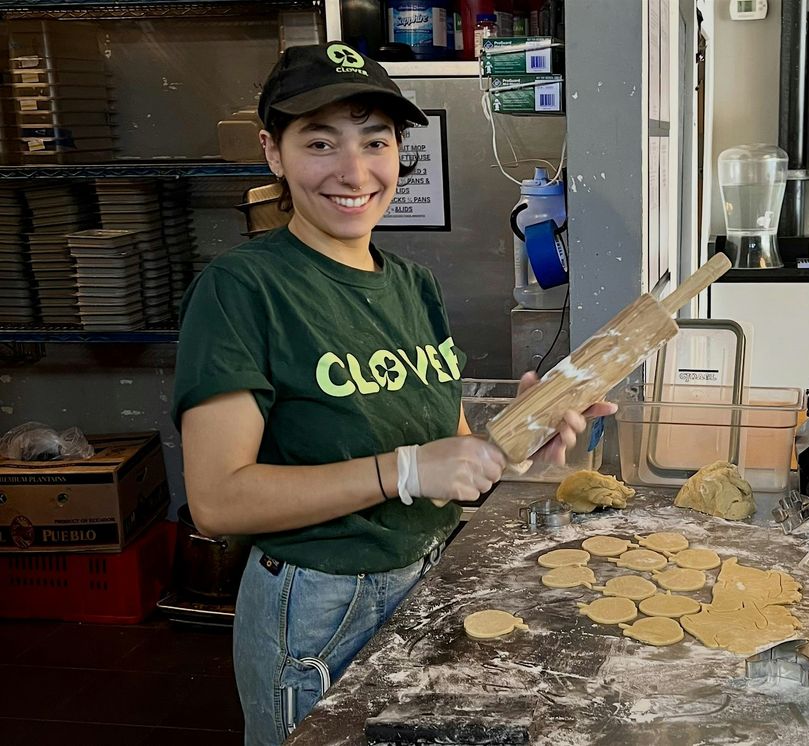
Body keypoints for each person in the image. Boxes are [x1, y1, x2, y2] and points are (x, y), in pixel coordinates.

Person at [171, 42, 614, 746]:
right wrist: (401, 471)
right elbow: (218, 501)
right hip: (317, 605)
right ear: (273, 152)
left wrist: (518, 439)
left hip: (426, 578)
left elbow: (452, 458)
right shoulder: (244, 289)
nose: (354, 172)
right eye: (320, 143)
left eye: (375, 142)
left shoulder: (413, 286)